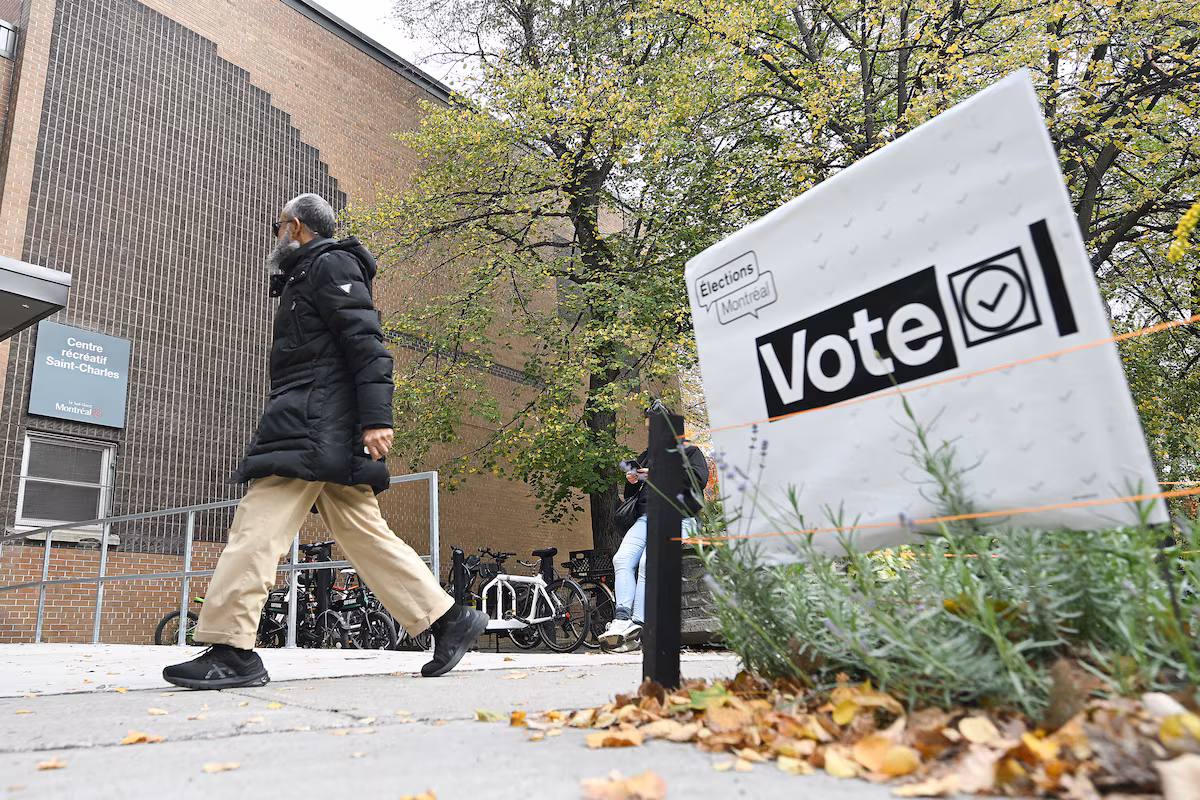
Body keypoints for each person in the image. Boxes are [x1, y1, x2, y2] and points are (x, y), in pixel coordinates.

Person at [163, 194, 487, 689]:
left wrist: (377, 419)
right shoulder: (308, 273)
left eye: (278, 227)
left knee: (256, 529)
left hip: (313, 426)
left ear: (295, 227)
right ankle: (449, 621)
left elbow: (369, 345)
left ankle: (231, 650)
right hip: (319, 426)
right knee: (365, 535)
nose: (274, 237)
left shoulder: (329, 264)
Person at [600, 400, 710, 651]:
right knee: (622, 559)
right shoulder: (647, 454)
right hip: (646, 517)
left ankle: (638, 624)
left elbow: (698, 479)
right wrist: (631, 479)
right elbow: (632, 494)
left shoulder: (689, 450)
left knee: (648, 562)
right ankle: (622, 618)